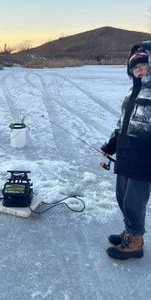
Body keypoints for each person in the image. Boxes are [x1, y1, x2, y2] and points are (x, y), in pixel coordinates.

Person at [101, 41, 151, 260]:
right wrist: (111, 144)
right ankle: (130, 232)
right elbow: (123, 122)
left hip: (145, 156)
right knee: (122, 197)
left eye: (142, 64)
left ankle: (136, 242)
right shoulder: (134, 89)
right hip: (126, 152)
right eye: (134, 67)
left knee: (134, 201)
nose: (138, 70)